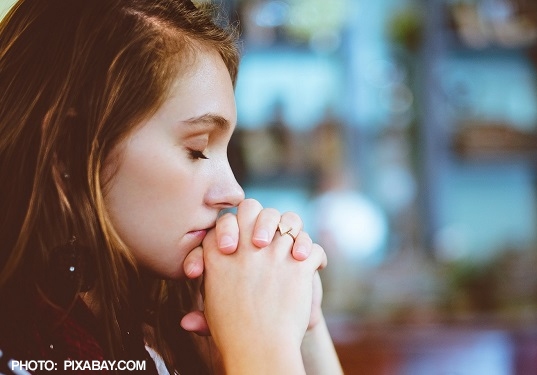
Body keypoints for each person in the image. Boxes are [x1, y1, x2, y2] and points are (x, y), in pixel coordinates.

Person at [0, 0, 342, 374]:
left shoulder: (166, 331)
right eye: (196, 150)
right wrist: (262, 346)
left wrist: (302, 326)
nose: (234, 193)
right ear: (70, 147)